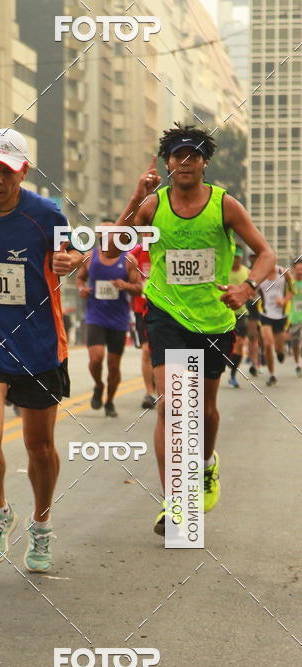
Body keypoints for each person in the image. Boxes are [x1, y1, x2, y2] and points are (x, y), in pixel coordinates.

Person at [108, 123, 275, 535]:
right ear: (168, 163)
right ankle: (175, 504)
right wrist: (135, 196)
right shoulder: (152, 205)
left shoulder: (225, 206)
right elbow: (111, 248)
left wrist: (247, 287)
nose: (186, 161)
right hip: (165, 313)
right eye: (179, 155)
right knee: (172, 406)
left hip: (215, 319)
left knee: (205, 411)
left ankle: (206, 463)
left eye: (194, 155)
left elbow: (266, 252)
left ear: (204, 163)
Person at [0, 129, 83, 573]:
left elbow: (72, 256)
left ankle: (41, 524)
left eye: (6, 171)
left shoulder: (46, 215)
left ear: (22, 171)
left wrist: (70, 261)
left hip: (38, 343)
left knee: (39, 448)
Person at [75, 223, 141, 416]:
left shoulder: (129, 260)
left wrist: (125, 285)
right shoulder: (90, 257)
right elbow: (80, 279)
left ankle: (110, 401)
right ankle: (98, 385)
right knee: (95, 359)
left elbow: (139, 288)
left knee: (113, 365)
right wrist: (82, 289)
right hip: (95, 316)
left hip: (118, 319)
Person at [256, 263, 293, 386]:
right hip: (265, 314)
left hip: (281, 315)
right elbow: (252, 291)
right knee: (267, 344)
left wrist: (284, 300)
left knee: (279, 348)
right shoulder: (259, 274)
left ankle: (280, 352)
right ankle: (272, 375)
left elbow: (292, 290)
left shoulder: (283, 272)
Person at [130, 241, 157, 407]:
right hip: (142, 309)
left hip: (168, 308)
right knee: (147, 351)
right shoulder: (137, 251)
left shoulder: (167, 245)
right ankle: (149, 393)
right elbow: (121, 262)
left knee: (165, 352)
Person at [226, 246, 249, 388]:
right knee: (227, 345)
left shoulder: (247, 272)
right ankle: (228, 361)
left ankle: (233, 375)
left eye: (238, 258)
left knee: (239, 344)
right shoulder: (224, 271)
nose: (236, 261)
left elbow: (255, 289)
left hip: (241, 314)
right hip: (224, 313)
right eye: (234, 257)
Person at [290, 260, 302, 376]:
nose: (300, 272)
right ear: (294, 270)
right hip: (293, 317)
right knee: (294, 343)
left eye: (301, 269)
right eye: (297, 269)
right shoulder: (290, 284)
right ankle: (297, 363)